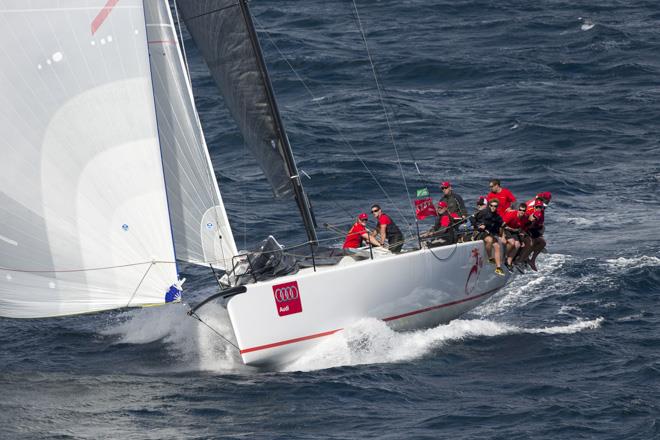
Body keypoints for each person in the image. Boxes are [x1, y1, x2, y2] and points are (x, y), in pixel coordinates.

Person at [476, 199, 505, 276]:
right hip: (481, 233)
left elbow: (502, 226)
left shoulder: (497, 217)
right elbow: (473, 219)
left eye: (495, 206)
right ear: (489, 206)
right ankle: (490, 258)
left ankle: (498, 268)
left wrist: (502, 236)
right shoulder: (483, 212)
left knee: (497, 246)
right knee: (490, 240)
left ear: (497, 207)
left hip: (491, 233)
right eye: (492, 206)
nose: (493, 207)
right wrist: (479, 225)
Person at [517, 200, 546, 271]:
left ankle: (532, 261)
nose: (538, 208)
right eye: (537, 207)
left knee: (542, 243)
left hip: (532, 229)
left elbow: (540, 225)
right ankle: (520, 261)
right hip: (523, 229)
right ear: (534, 207)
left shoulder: (541, 213)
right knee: (530, 243)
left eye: (540, 207)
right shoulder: (528, 212)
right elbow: (522, 224)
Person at [502, 203, 528, 270]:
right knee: (512, 242)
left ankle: (509, 261)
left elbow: (521, 230)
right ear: (518, 209)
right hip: (506, 229)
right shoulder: (512, 215)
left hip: (514, 231)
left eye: (523, 210)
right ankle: (505, 256)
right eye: (520, 210)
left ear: (525, 211)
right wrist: (502, 236)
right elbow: (501, 225)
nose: (522, 212)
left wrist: (522, 240)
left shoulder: (524, 218)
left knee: (518, 245)